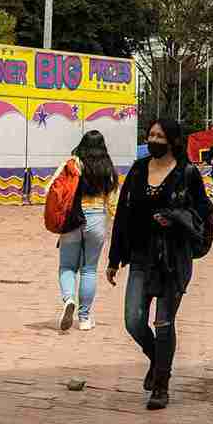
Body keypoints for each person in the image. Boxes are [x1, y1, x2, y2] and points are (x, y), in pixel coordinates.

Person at [107, 118, 213, 411]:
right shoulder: (139, 170)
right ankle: (158, 360)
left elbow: (205, 212)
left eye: (159, 135)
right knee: (134, 320)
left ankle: (161, 386)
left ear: (173, 141)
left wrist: (176, 218)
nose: (153, 139)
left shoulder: (186, 173)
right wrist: (114, 258)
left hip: (172, 259)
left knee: (164, 323)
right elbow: (123, 216)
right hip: (141, 257)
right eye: (151, 134)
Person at [49, 130, 120, 332]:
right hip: (97, 219)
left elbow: (52, 188)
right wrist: (114, 222)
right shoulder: (108, 168)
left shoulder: (72, 164)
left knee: (67, 267)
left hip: (73, 219)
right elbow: (113, 202)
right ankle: (85, 318)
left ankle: (69, 298)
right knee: (89, 269)